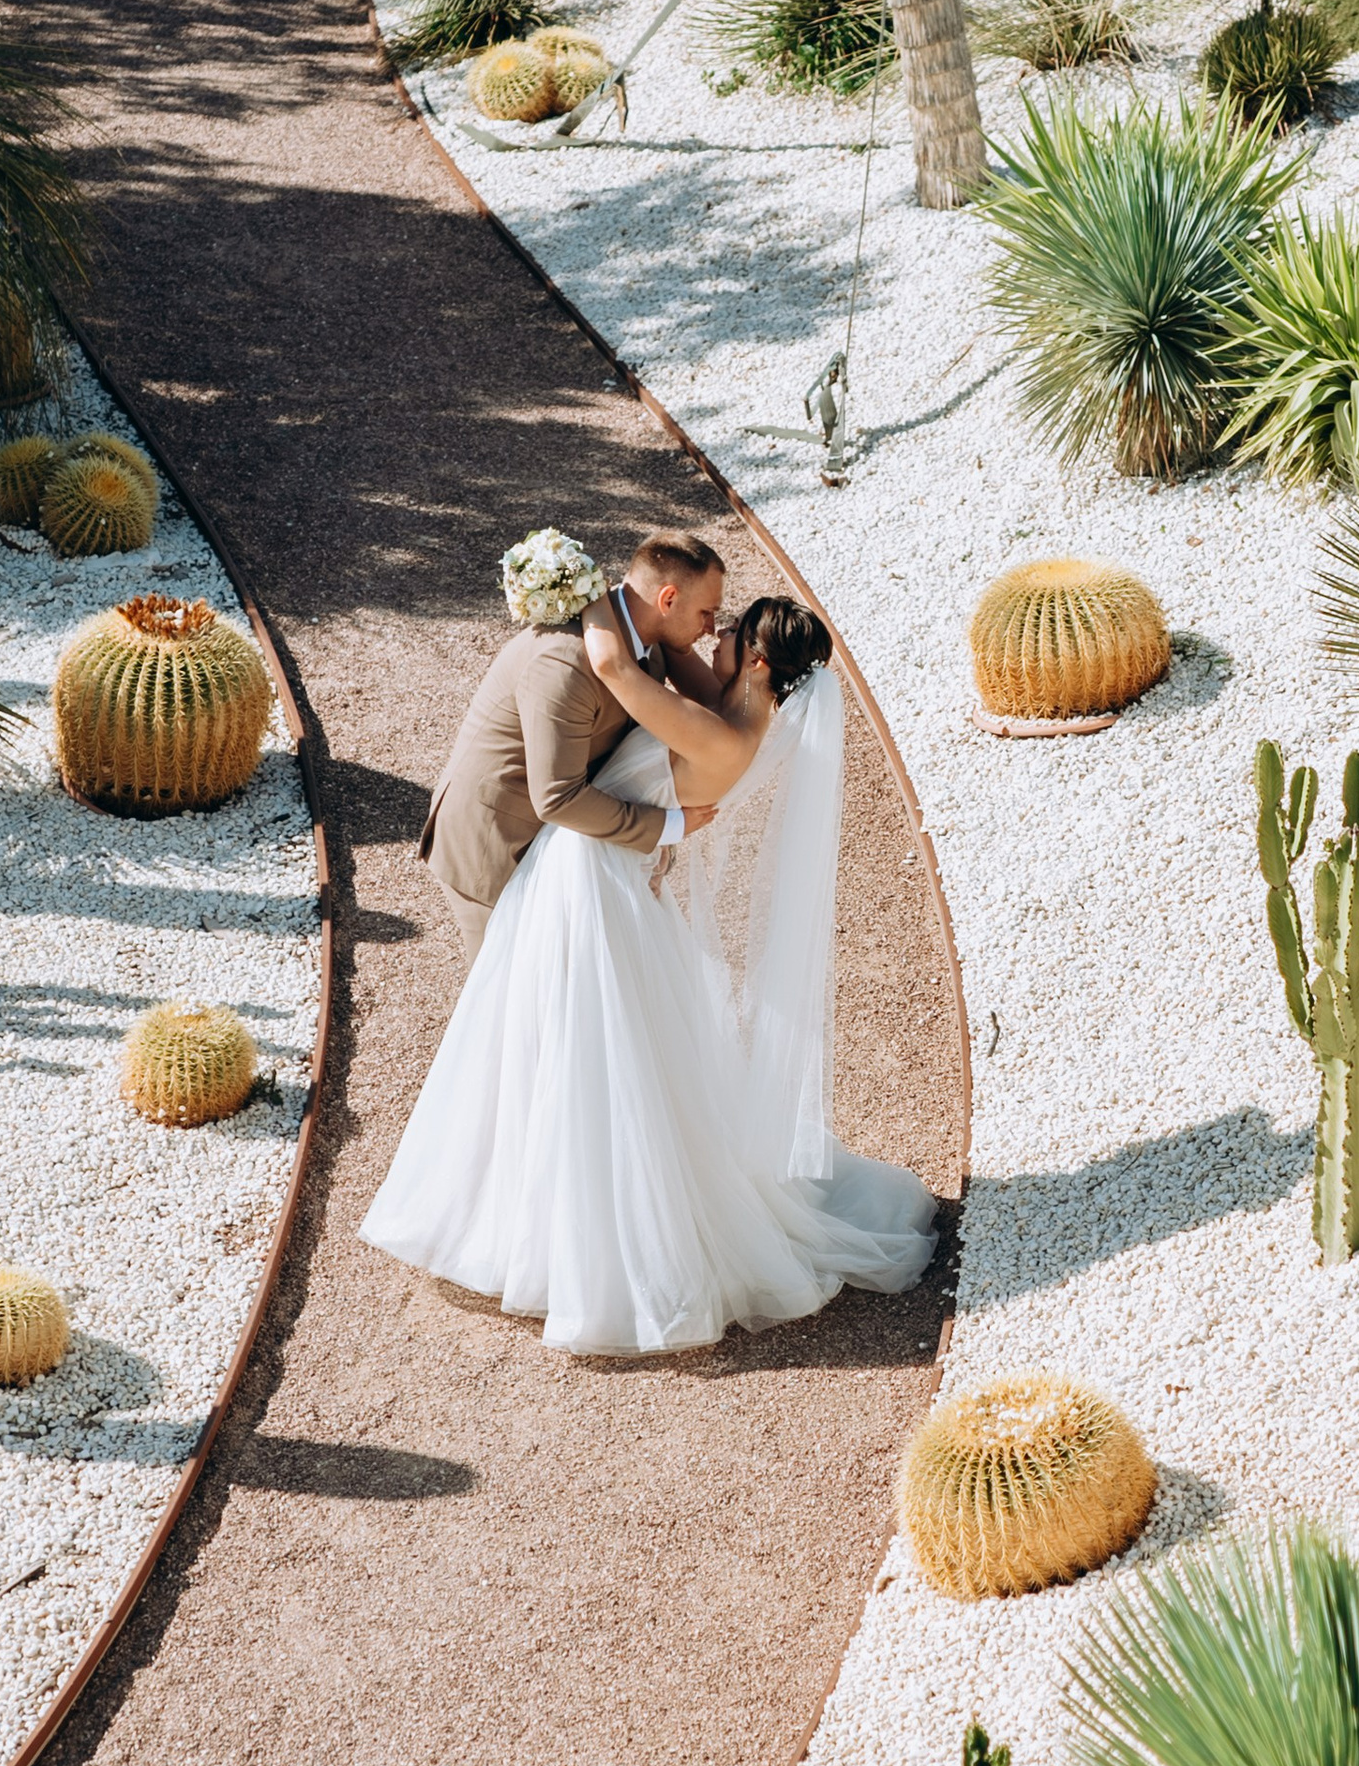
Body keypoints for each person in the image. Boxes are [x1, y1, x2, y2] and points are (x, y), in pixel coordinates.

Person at [363, 576, 937, 1355]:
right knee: (584, 1049)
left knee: (585, 1055)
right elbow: (670, 670)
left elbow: (616, 669)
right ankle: (545, 1212)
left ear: (760, 662)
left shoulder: (722, 734)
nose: (715, 637)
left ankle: (594, 1249)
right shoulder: (738, 711)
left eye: (730, 632)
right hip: (596, 875)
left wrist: (605, 592)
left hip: (592, 884)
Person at [417, 529, 729, 971]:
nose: (710, 629)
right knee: (509, 1004)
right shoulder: (566, 663)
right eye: (707, 612)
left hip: (559, 840)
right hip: (496, 843)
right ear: (669, 599)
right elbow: (557, 796)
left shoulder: (652, 647)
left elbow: (703, 713)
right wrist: (666, 827)